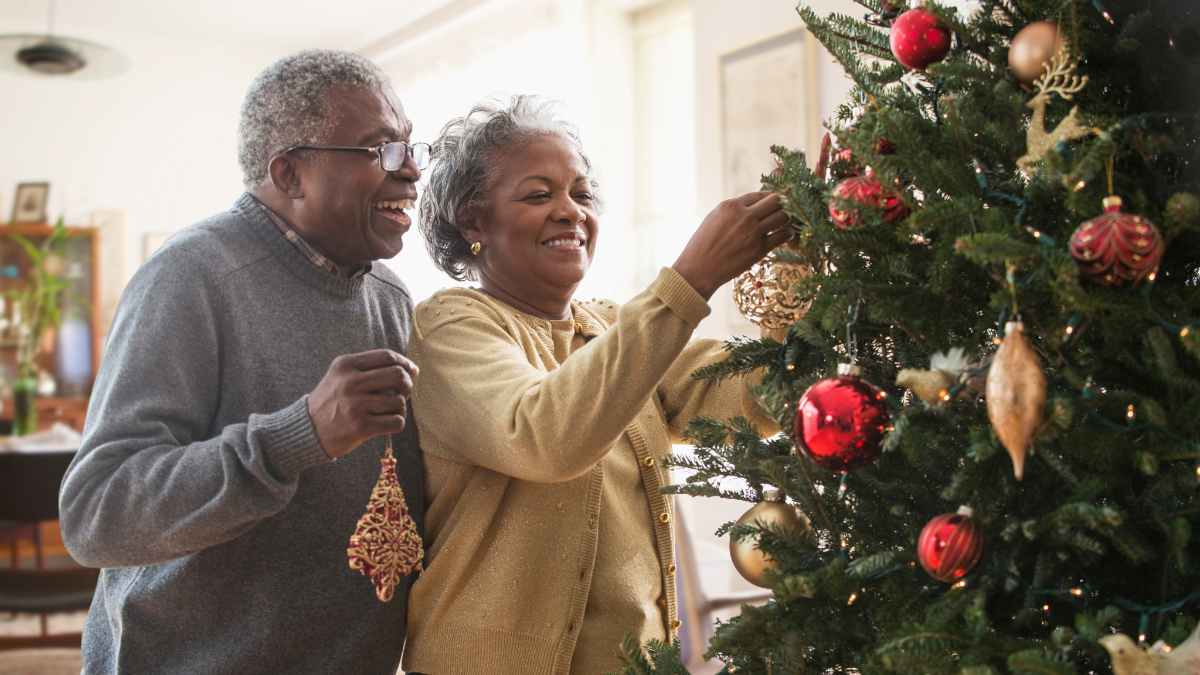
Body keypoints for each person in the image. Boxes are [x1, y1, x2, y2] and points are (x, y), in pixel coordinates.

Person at [59, 50, 425, 675]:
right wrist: (295, 438)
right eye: (381, 150)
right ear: (290, 174)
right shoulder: (190, 277)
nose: (412, 170)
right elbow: (98, 514)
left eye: (412, 147)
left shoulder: (391, 300)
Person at [402, 95, 792, 675]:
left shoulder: (607, 327)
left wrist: (816, 271)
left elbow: (751, 391)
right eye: (539, 195)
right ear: (473, 223)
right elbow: (542, 433)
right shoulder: (448, 327)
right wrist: (692, 278)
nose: (570, 212)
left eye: (581, 195)